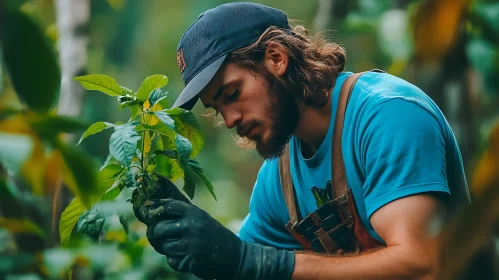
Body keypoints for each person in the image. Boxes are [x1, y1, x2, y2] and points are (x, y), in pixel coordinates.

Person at [144, 2, 471, 279]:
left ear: (276, 58)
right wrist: (206, 245)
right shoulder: (278, 178)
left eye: (233, 94)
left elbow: (421, 261)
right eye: (218, 108)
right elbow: (244, 262)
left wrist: (261, 263)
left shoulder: (388, 115)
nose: (230, 120)